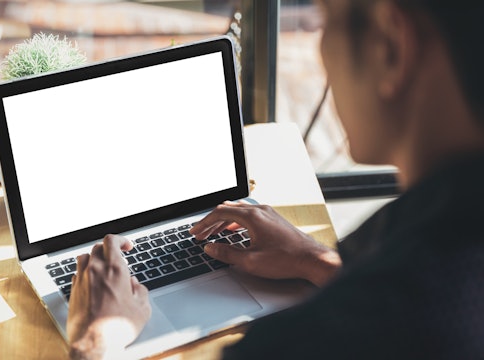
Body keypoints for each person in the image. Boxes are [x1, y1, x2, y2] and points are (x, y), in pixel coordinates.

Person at [67, 0, 484, 358]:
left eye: (325, 21)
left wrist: (96, 343)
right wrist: (313, 260)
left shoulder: (309, 343)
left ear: (390, 47)